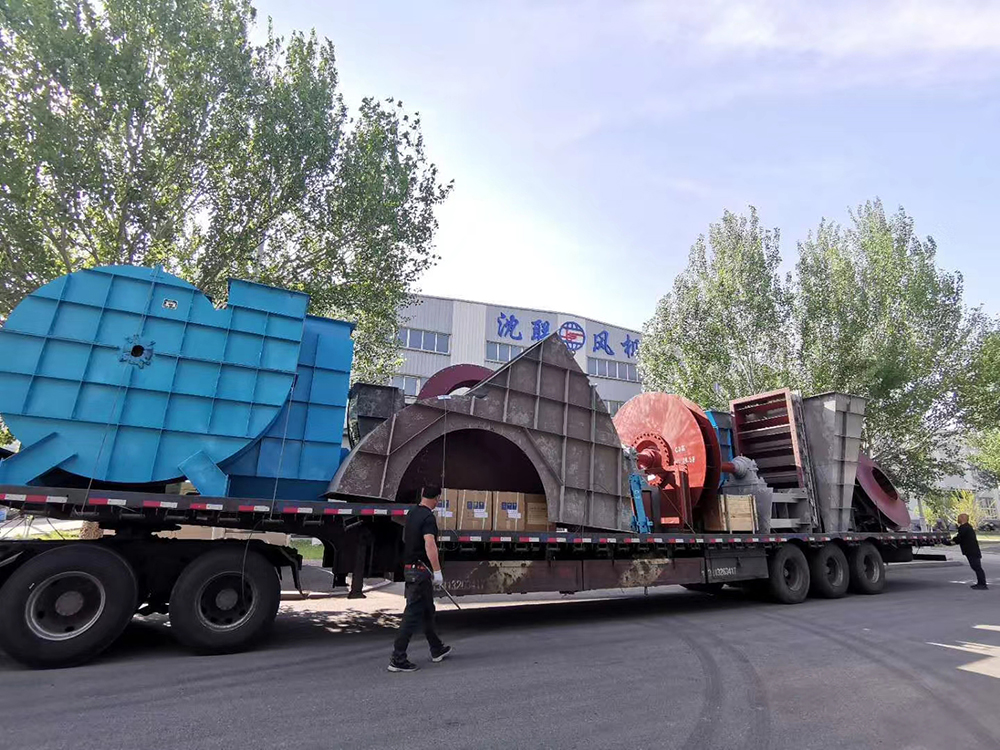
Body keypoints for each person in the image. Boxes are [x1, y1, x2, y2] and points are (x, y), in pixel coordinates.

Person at [389, 486, 452, 672]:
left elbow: (406, 538)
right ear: (437, 498)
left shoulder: (412, 513)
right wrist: (437, 571)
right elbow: (430, 544)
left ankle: (436, 648)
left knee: (427, 610)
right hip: (420, 571)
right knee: (412, 614)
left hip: (410, 568)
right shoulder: (428, 517)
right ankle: (398, 658)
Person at [953, 513, 988, 590]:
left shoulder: (964, 527)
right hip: (973, 550)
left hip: (971, 551)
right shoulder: (968, 527)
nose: (957, 519)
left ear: (963, 518)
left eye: (959, 518)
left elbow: (959, 538)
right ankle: (980, 583)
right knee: (976, 567)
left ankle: (982, 584)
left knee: (977, 567)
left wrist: (950, 541)